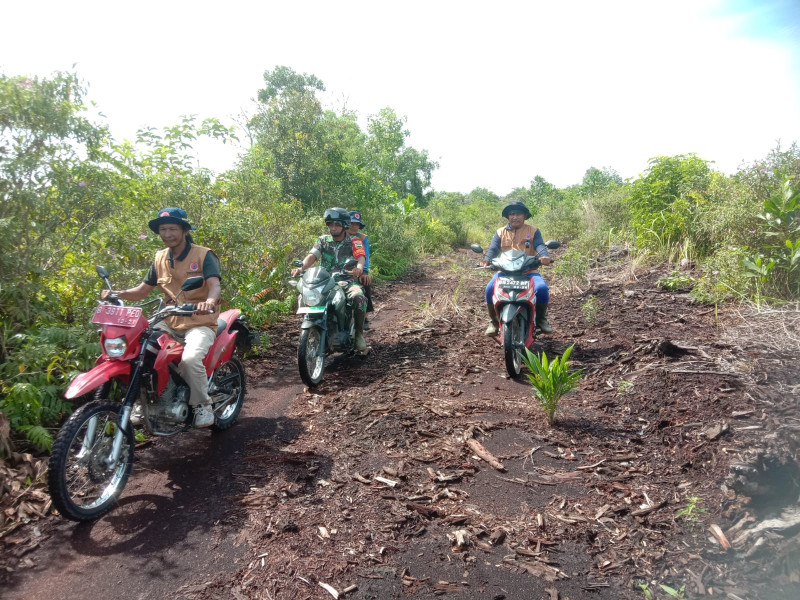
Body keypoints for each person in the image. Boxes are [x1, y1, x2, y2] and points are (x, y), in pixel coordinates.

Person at [101, 207, 222, 428]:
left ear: (184, 230)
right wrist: (118, 293)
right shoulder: (160, 258)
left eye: (172, 229)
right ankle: (142, 401)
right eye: (163, 229)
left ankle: (203, 405)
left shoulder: (203, 255)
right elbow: (142, 290)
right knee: (139, 352)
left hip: (199, 321)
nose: (167, 234)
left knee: (190, 359)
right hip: (169, 320)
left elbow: (214, 285)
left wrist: (210, 302)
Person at [291, 207, 369, 351]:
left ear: (344, 225)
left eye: (337, 225)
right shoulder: (322, 240)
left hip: (347, 281)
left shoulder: (354, 240)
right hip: (325, 282)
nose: (333, 228)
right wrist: (301, 268)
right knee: (304, 297)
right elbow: (312, 256)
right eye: (330, 224)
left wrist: (359, 267)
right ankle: (312, 329)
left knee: (359, 299)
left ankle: (359, 334)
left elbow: (361, 257)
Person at [482, 201, 553, 335]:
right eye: (512, 214)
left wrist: (544, 256)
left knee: (542, 289)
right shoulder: (500, 232)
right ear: (508, 216)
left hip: (528, 271)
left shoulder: (533, 231)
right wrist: (486, 259)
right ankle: (494, 321)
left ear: (525, 216)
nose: (515, 217)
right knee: (489, 288)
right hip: (504, 272)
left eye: (519, 214)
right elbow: (493, 248)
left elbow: (540, 245)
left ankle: (541, 319)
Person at [348, 210, 374, 329]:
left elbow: (365, 255)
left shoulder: (362, 238)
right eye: (352, 223)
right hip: (339, 269)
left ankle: (364, 316)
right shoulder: (338, 236)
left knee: (365, 281)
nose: (354, 226)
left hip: (358, 268)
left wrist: (364, 271)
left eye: (357, 224)